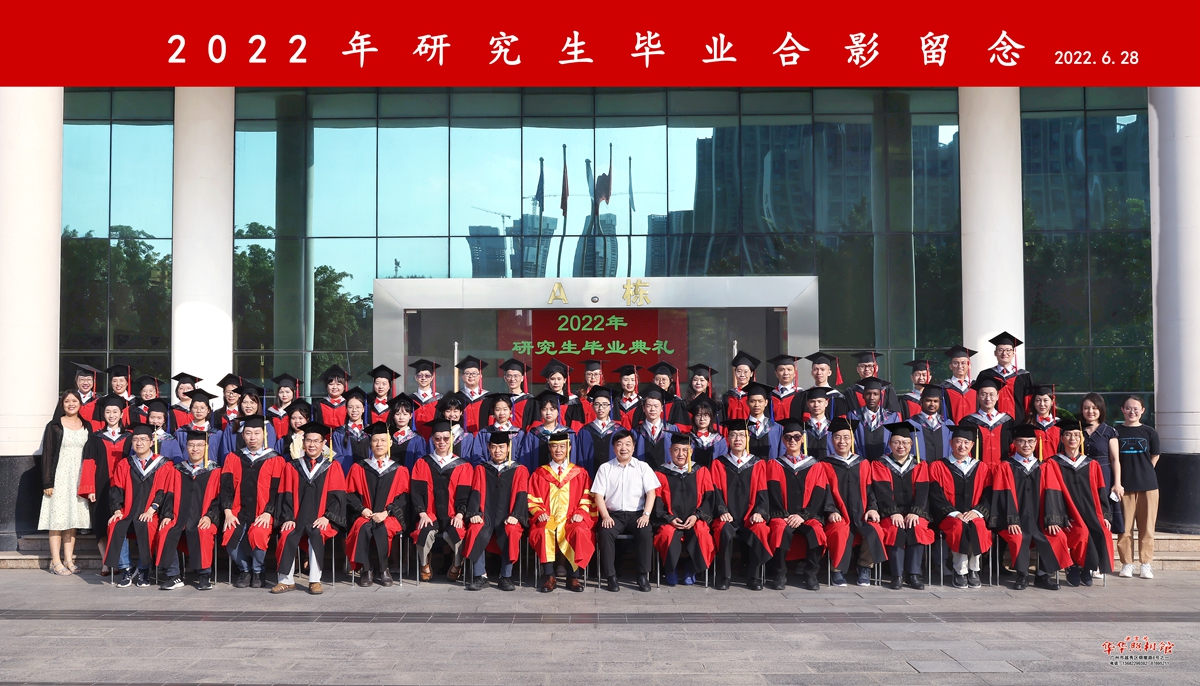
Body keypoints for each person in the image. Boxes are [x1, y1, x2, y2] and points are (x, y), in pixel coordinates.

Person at [990, 424, 1071, 591]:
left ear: (1036, 443)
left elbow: (1053, 493)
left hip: (1041, 520)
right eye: (1021, 441)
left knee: (1057, 536)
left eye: (1030, 441)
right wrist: (1011, 520)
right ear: (1014, 443)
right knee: (1017, 537)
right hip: (1016, 520)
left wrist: (1052, 519)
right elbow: (1002, 496)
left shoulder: (1045, 467)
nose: (1026, 445)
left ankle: (1043, 575)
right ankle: (1022, 575)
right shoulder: (1004, 467)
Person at [765, 419, 841, 591]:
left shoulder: (815, 465)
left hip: (808, 515)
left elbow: (819, 494)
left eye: (797, 437)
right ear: (783, 440)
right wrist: (785, 515)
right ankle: (780, 573)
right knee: (779, 531)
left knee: (817, 532)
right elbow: (772, 494)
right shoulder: (774, 465)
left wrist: (803, 515)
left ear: (803, 439)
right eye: (788, 437)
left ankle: (811, 573)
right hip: (782, 516)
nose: (792, 440)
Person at [272, 422, 346, 595]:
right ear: (303, 442)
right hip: (296, 518)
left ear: (323, 444)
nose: (312, 444)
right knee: (286, 534)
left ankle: (314, 580)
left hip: (320, 518)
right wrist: (288, 517)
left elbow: (337, 496)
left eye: (316, 441)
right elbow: (285, 493)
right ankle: (285, 581)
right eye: (308, 440)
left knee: (316, 533)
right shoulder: (292, 466)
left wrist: (327, 517)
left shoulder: (332, 466)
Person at [103, 423, 177, 588]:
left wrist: (152, 509)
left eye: (143, 439)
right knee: (115, 524)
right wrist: (117, 510)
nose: (139, 443)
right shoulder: (125, 464)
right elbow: (116, 488)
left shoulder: (164, 464)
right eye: (135, 439)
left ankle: (144, 569)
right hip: (128, 510)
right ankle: (126, 568)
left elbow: (164, 490)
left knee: (146, 524)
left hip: (152, 512)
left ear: (151, 442)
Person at [220, 415, 286, 589]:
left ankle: (258, 571)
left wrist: (268, 512)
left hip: (263, 511)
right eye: (248, 433)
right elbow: (225, 487)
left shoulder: (275, 459)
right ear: (243, 435)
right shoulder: (233, 458)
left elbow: (277, 490)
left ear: (264, 434)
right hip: (237, 511)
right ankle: (245, 570)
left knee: (259, 534)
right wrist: (228, 512)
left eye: (257, 433)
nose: (252, 437)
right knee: (229, 535)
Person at [708, 419, 773, 591]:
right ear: (727, 439)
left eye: (742, 435)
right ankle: (724, 576)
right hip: (727, 515)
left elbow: (763, 492)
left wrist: (759, 512)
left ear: (747, 439)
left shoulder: (758, 463)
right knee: (723, 530)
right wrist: (722, 510)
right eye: (733, 435)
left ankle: (754, 577)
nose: (738, 439)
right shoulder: (718, 463)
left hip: (750, 515)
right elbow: (715, 492)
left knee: (761, 529)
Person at [527, 430, 595, 592]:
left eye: (562, 446)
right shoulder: (540, 473)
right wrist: (539, 512)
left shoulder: (580, 473)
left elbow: (587, 497)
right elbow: (532, 498)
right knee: (543, 530)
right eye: (555, 446)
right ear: (549, 448)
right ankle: (549, 576)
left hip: (572, 517)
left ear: (569, 448)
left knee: (579, 531)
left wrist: (581, 513)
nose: (558, 450)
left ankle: (573, 577)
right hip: (548, 517)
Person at [822, 417, 886, 587]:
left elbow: (870, 489)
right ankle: (837, 570)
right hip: (838, 514)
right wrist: (831, 510)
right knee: (839, 531)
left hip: (861, 513)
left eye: (846, 437)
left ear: (852, 439)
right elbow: (823, 492)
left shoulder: (863, 463)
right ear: (832, 440)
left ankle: (864, 566)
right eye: (837, 437)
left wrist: (872, 508)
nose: (842, 441)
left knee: (875, 530)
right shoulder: (824, 464)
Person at [592, 429, 659, 592]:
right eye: (619, 444)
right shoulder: (605, 468)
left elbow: (651, 493)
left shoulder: (643, 467)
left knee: (645, 532)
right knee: (605, 533)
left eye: (628, 444)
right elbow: (598, 495)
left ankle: (642, 575)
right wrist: (605, 516)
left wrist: (646, 515)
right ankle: (611, 577)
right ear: (614, 448)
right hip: (613, 515)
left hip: (637, 514)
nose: (624, 448)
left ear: (633, 447)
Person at [462, 429, 529, 591]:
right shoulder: (481, 469)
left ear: (508, 448)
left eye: (501, 447)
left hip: (508, 516)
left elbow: (522, 494)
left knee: (511, 530)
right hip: (486, 516)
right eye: (493, 447)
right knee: (475, 528)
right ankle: (481, 576)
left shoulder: (519, 469)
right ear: (488, 448)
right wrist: (475, 513)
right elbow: (476, 492)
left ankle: (505, 576)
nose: (497, 450)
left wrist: (516, 515)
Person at [154, 430, 222, 591]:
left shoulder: (215, 470)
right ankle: (173, 575)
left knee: (203, 531)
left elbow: (219, 498)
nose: (195, 449)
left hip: (203, 516)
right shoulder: (177, 469)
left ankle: (204, 575)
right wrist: (168, 515)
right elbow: (169, 494)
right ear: (186, 447)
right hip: (179, 516)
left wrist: (209, 516)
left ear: (206, 447)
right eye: (191, 445)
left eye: (199, 445)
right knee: (166, 530)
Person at [927, 425, 993, 589]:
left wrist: (977, 512)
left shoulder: (982, 468)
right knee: (959, 526)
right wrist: (954, 513)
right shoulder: (938, 466)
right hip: (949, 517)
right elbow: (935, 495)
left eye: (966, 442)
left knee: (978, 525)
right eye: (958, 442)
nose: (962, 446)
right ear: (951, 443)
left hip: (974, 514)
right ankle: (960, 571)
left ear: (972, 445)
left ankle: (974, 569)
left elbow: (989, 495)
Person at [344, 422, 409, 587]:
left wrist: (387, 512)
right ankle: (366, 569)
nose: (379, 444)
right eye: (375, 440)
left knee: (382, 528)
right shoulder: (358, 468)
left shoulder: (399, 470)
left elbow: (403, 497)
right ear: (370, 443)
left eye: (383, 440)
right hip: (365, 514)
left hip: (388, 516)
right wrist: (362, 509)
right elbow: (349, 494)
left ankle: (383, 568)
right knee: (364, 528)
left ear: (390, 443)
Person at [1051, 420, 1115, 586]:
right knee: (1081, 532)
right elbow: (1051, 493)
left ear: (1082, 439)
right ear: (1062, 439)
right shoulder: (1052, 464)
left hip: (1091, 512)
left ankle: (1087, 567)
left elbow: (1101, 491)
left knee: (1104, 532)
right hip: (1067, 514)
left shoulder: (1092, 464)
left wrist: (1106, 515)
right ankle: (1073, 565)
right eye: (1068, 435)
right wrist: (1057, 517)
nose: (1072, 438)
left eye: (1076, 435)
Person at [410, 418, 473, 582]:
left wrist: (460, 514)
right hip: (430, 514)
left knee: (458, 533)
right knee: (422, 532)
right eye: (437, 438)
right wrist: (422, 513)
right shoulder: (422, 463)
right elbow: (416, 492)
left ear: (452, 439)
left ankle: (457, 564)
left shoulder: (462, 466)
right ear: (432, 439)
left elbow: (464, 494)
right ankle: (424, 564)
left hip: (452, 513)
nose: (442, 442)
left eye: (446, 438)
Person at [872, 423, 934, 590]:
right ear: (890, 444)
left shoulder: (920, 464)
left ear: (911, 444)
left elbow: (922, 491)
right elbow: (882, 491)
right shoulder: (880, 464)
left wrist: (915, 512)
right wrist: (893, 512)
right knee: (894, 528)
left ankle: (913, 574)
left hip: (915, 511)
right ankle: (897, 575)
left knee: (918, 527)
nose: (901, 446)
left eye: (905, 442)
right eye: (896, 442)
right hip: (890, 512)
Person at [39, 390, 92, 576]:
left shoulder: (86, 425)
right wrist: (47, 482)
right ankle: (56, 562)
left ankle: (69, 560)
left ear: (80, 403)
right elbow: (47, 454)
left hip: (78, 478)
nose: (71, 404)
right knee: (57, 520)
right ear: (62, 404)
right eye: (67, 401)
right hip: (59, 477)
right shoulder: (54, 426)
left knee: (72, 520)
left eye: (74, 401)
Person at [653, 434, 716, 586]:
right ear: (670, 451)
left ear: (691, 451)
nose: (681, 454)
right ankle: (670, 569)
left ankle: (692, 567)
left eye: (685, 450)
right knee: (666, 534)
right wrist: (669, 518)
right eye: (676, 450)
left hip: (695, 519)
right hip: (670, 520)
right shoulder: (660, 473)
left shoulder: (701, 471)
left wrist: (697, 516)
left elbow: (709, 499)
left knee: (702, 533)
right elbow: (657, 502)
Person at [79, 394, 129, 573]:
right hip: (101, 487)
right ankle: (105, 561)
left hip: (125, 487)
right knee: (100, 522)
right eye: (108, 412)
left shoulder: (130, 437)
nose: (111, 415)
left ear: (121, 414)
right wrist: (89, 488)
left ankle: (119, 560)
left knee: (120, 522)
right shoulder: (95, 438)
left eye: (115, 411)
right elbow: (89, 464)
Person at [1116, 395, 1159, 579]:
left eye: (1136, 408)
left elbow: (1155, 455)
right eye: (1128, 408)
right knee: (1124, 528)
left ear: (1142, 410)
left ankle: (1145, 564)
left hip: (1148, 486)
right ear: (1122, 410)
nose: (1132, 411)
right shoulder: (1116, 432)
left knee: (1147, 527)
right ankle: (1127, 563)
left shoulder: (1150, 432)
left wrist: (1145, 471)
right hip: (1124, 487)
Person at [1080, 392, 1124, 535]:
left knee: (1104, 515)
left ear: (1101, 409)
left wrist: (1117, 483)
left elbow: (1115, 459)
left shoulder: (1109, 431)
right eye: (1086, 408)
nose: (1090, 411)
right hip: (1082, 476)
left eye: (1094, 408)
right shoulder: (1077, 431)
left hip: (1103, 476)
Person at [958, 376, 1014, 467]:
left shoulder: (1008, 421)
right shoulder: (968, 422)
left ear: (997, 396)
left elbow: (1014, 449)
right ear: (977, 397)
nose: (988, 398)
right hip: (977, 471)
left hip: (1002, 471)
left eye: (992, 394)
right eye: (983, 394)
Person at [978, 331, 1032, 424]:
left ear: (1014, 352)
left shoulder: (1024, 376)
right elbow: (979, 401)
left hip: (1018, 424)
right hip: (992, 424)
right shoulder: (985, 375)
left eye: (1008, 350)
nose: (1004, 353)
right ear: (995, 353)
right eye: (1000, 350)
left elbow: (1028, 402)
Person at [521, 390, 578, 469]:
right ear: (540, 411)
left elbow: (574, 457)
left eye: (552, 409)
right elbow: (526, 460)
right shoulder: (533, 434)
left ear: (558, 411)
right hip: (538, 475)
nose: (548, 413)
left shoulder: (568, 433)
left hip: (564, 475)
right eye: (544, 409)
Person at [849, 377, 902, 460]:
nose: (872, 397)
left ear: (880, 396)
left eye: (875, 394)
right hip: (861, 462)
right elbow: (852, 441)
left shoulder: (892, 417)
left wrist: (886, 460)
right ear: (863, 395)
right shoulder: (853, 416)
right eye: (868, 394)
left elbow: (895, 440)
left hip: (885, 463)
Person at [575, 386, 621, 474]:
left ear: (611, 406)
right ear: (592, 406)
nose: (601, 408)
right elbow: (580, 457)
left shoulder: (619, 430)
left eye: (605, 404)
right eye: (597, 404)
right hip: (590, 477)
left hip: (614, 477)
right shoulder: (585, 431)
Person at [173, 389, 224, 466]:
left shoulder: (217, 434)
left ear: (208, 410)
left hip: (211, 471)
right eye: (195, 407)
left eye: (202, 408)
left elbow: (221, 457)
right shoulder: (181, 432)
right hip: (186, 471)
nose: (199, 411)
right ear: (190, 409)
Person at [476, 395, 529, 468]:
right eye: (498, 410)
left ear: (510, 410)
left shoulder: (518, 433)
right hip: (488, 471)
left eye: (505, 409)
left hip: (513, 471)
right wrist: (487, 469)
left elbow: (523, 457)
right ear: (493, 411)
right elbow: (477, 455)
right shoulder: (484, 433)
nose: (501, 413)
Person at [633, 387, 679, 466]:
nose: (652, 409)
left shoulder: (672, 429)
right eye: (649, 406)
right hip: (643, 472)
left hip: (667, 471)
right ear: (643, 408)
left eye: (656, 406)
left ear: (662, 408)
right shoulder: (636, 431)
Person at [907, 385, 952, 463]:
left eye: (935, 401)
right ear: (921, 401)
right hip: (919, 467)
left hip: (942, 468)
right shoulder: (910, 423)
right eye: (928, 400)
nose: (932, 404)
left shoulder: (947, 423)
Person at [330, 387, 371, 471]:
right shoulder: (339, 432)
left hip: (368, 474)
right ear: (346, 409)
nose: (354, 410)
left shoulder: (370, 431)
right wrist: (351, 472)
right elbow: (338, 456)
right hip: (347, 473)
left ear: (363, 409)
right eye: (350, 407)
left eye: (358, 407)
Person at [798, 351, 847, 418]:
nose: (819, 372)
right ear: (812, 373)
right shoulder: (804, 396)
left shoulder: (838, 397)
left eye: (822, 369)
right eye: (816, 369)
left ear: (829, 373)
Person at [387, 393, 428, 470]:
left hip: (410, 476)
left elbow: (420, 466)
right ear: (393, 416)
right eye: (397, 414)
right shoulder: (387, 437)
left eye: (405, 414)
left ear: (410, 416)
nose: (401, 417)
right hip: (390, 476)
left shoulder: (417, 440)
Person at [686, 396, 727, 468]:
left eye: (706, 415)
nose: (702, 419)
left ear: (711, 418)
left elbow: (723, 463)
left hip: (714, 473)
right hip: (692, 474)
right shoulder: (687, 438)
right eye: (698, 415)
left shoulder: (719, 440)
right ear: (694, 418)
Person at [744, 382, 782, 459]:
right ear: (747, 403)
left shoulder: (776, 428)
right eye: (752, 401)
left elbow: (781, 453)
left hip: (771, 466)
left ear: (766, 402)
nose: (756, 405)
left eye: (760, 401)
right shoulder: (742, 427)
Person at [565, 359, 605, 430]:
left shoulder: (608, 396)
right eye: (589, 374)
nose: (593, 377)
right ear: (585, 376)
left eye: (596, 374)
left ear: (601, 376)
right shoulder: (578, 396)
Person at [941, 345, 978, 424]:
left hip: (974, 429)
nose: (960, 366)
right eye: (955, 363)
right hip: (952, 430)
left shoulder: (977, 386)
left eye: (963, 363)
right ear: (950, 366)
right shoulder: (943, 388)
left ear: (969, 365)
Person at [453, 356, 490, 433]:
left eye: (474, 373)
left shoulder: (489, 398)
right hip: (461, 438)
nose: (471, 376)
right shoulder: (456, 397)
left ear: (480, 376)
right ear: (462, 376)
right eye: (467, 373)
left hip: (483, 437)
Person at [497, 358, 537, 428]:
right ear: (505, 378)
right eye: (509, 376)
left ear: (522, 378)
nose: (512, 379)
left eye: (516, 376)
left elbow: (533, 423)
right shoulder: (501, 400)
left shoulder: (530, 400)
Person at [142, 398, 184, 464]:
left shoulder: (170, 440)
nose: (155, 421)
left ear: (164, 420)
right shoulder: (141, 437)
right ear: (148, 418)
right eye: (152, 417)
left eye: (159, 418)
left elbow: (177, 459)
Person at [1025, 384, 1062, 458]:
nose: (1042, 404)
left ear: (1052, 402)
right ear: (1034, 403)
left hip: (1056, 464)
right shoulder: (1027, 425)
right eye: (1038, 400)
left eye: (1045, 400)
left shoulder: (1060, 424)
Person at [645, 361, 687, 427]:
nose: (661, 382)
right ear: (653, 381)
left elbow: (680, 427)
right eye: (657, 379)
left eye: (664, 379)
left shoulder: (677, 403)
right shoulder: (646, 401)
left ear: (670, 381)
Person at [408, 359, 443, 437]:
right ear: (415, 378)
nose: (423, 378)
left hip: (434, 440)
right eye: (420, 375)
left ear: (432, 377)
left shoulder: (440, 399)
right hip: (414, 440)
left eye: (427, 375)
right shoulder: (409, 400)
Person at [723, 351, 760, 421]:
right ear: (735, 372)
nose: (742, 375)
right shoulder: (728, 396)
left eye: (746, 372)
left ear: (751, 374)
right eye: (739, 371)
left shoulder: (756, 395)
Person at [311, 365, 351, 429]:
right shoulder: (318, 404)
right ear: (326, 387)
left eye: (338, 384)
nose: (334, 387)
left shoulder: (349, 404)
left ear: (344, 387)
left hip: (344, 435)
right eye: (331, 384)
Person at [767, 354, 803, 422]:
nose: (786, 373)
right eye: (781, 370)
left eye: (789, 369)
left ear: (794, 373)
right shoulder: (770, 395)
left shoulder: (801, 394)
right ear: (776, 373)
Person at [800, 386, 833, 461]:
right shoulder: (802, 428)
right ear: (808, 404)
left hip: (830, 466)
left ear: (826, 403)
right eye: (812, 401)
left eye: (820, 401)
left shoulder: (834, 428)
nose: (816, 405)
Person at [266, 373, 300, 439]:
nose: (284, 395)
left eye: (287, 392)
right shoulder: (271, 411)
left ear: (293, 392)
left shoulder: (297, 410)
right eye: (281, 392)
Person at [613, 364, 643, 428]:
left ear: (637, 382)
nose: (629, 383)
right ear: (620, 381)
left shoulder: (642, 403)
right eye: (626, 380)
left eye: (633, 380)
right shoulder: (615, 402)